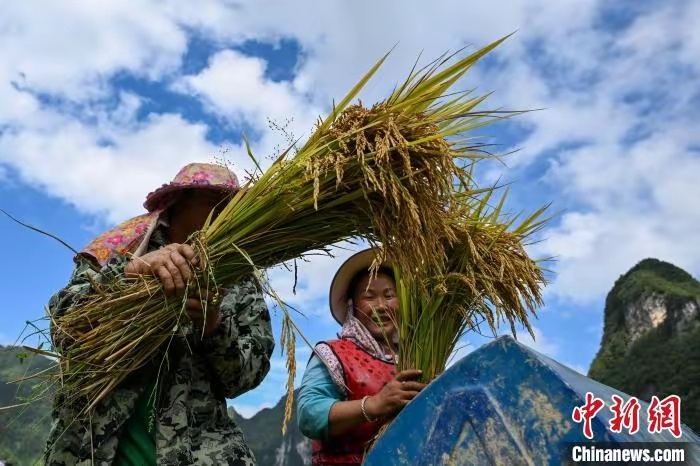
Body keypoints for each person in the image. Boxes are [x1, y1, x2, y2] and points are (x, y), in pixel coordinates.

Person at [44, 163, 275, 466]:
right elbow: (64, 326)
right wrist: (126, 276)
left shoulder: (239, 278)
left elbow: (246, 377)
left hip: (199, 453)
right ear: (178, 202)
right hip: (90, 448)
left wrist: (213, 327)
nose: (223, 214)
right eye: (212, 202)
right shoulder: (123, 249)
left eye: (230, 207)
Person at [296, 248, 427, 465]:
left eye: (389, 295)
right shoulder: (333, 353)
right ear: (352, 306)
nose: (382, 306)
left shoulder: (414, 358)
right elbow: (309, 413)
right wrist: (375, 404)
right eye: (369, 296)